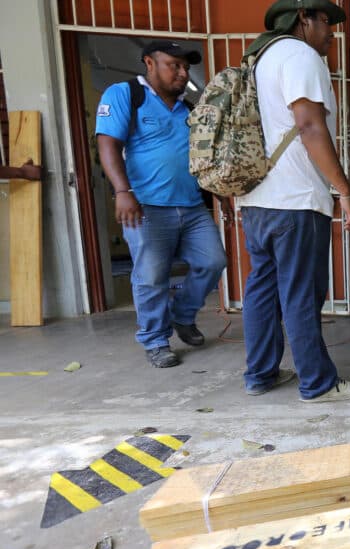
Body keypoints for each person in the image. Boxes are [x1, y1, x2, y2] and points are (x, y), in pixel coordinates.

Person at [236, 0, 350, 402]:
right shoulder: (299, 55)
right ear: (302, 19)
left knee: (263, 287)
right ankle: (318, 383)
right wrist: (344, 191)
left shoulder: (260, 60)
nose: (331, 31)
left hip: (257, 198)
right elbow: (310, 126)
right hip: (294, 199)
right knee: (301, 292)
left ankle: (260, 374)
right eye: (325, 21)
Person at [96, 41, 227, 368]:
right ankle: (155, 340)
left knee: (213, 261)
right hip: (145, 207)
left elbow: (202, 157)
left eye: (186, 68)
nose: (183, 73)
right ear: (149, 63)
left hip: (192, 206)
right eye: (175, 65)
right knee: (151, 276)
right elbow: (108, 143)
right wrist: (123, 191)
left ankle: (182, 315)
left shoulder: (189, 109)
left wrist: (219, 189)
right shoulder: (126, 94)